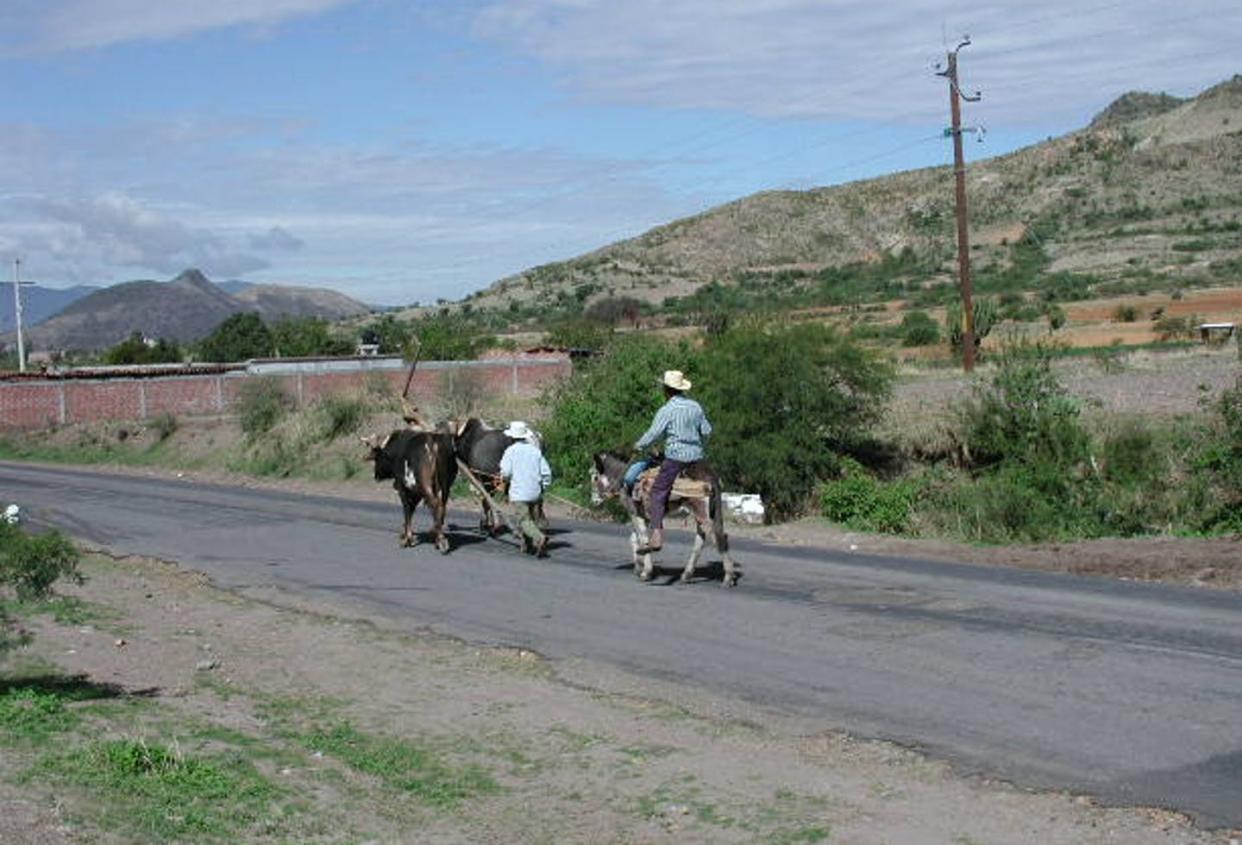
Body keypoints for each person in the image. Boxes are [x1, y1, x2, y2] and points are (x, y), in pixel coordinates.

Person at [633, 369, 712, 553]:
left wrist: (638, 445)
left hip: (676, 458)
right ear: (681, 388)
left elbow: (653, 433)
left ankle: (657, 535)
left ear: (666, 390)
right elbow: (707, 430)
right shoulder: (695, 406)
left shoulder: (666, 410)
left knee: (657, 491)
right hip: (697, 459)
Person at [499, 420, 553, 557]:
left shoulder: (510, 452)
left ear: (511, 437)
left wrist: (503, 480)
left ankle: (540, 538)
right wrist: (543, 487)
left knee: (523, 520)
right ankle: (528, 545)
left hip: (519, 493)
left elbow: (505, 472)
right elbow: (546, 472)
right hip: (535, 492)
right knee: (531, 519)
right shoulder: (535, 451)